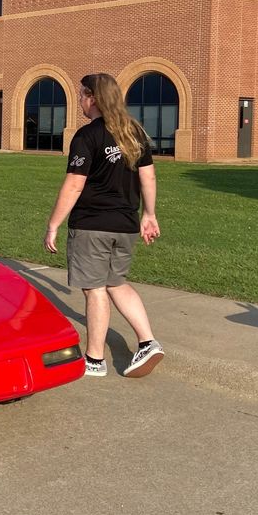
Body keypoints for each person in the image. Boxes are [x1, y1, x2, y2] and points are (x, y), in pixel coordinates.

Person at [44, 73, 164, 378]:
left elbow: (74, 184)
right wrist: (149, 214)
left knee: (94, 289)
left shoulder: (87, 136)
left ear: (92, 98)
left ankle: (94, 360)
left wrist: (53, 224)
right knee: (116, 283)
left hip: (92, 225)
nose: (81, 101)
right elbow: (148, 176)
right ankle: (147, 341)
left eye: (82, 95)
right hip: (125, 225)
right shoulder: (135, 132)